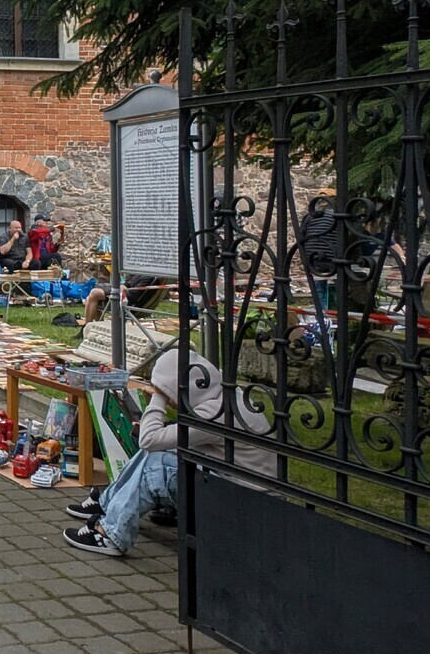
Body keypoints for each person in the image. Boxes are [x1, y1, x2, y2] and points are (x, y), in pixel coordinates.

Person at [61, 347, 277, 556]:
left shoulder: (215, 413)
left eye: (168, 393)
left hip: (245, 505)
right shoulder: (224, 398)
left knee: (156, 462)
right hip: (234, 485)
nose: (171, 402)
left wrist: (159, 396)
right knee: (157, 451)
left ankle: (112, 535)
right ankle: (108, 505)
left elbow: (148, 440)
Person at [297, 188, 339, 309]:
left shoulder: (310, 216)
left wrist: (304, 256)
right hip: (334, 257)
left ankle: (321, 315)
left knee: (318, 289)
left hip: (314, 257)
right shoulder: (337, 216)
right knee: (339, 288)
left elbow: (302, 236)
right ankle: (338, 314)